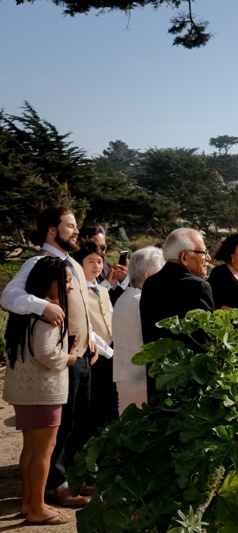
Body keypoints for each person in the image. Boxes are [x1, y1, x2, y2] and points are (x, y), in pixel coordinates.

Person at [0, 207, 97, 507]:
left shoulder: (75, 265)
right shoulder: (38, 262)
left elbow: (82, 306)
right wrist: (43, 306)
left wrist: (91, 336)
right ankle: (54, 486)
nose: (77, 230)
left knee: (74, 424)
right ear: (52, 230)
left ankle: (65, 476)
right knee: (56, 428)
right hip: (57, 356)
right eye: (70, 225)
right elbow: (8, 297)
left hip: (80, 354)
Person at [3, 257, 81, 526]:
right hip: (43, 391)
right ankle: (37, 508)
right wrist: (70, 357)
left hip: (25, 392)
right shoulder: (50, 314)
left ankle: (29, 502)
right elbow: (47, 353)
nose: (70, 286)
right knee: (43, 452)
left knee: (30, 449)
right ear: (51, 283)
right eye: (67, 280)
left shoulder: (26, 312)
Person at [139, 228, 215, 401]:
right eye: (203, 252)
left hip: (159, 382)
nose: (208, 258)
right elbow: (205, 339)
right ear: (184, 257)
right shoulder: (198, 286)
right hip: (191, 387)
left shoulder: (150, 283)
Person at [72, 242, 118, 432]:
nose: (96, 266)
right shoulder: (76, 290)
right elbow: (87, 326)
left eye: (99, 261)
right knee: (93, 403)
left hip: (111, 351)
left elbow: (111, 317)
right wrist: (108, 351)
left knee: (110, 400)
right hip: (94, 353)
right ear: (79, 264)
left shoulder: (104, 290)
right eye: (90, 261)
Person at [113, 247, 165, 413]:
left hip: (127, 377)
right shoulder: (141, 302)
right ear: (149, 276)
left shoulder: (127, 297)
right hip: (141, 380)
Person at [79, 226, 128, 305]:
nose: (100, 252)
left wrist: (124, 281)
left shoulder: (110, 267)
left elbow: (113, 302)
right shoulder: (74, 271)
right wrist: (106, 284)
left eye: (103, 247)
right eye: (96, 247)